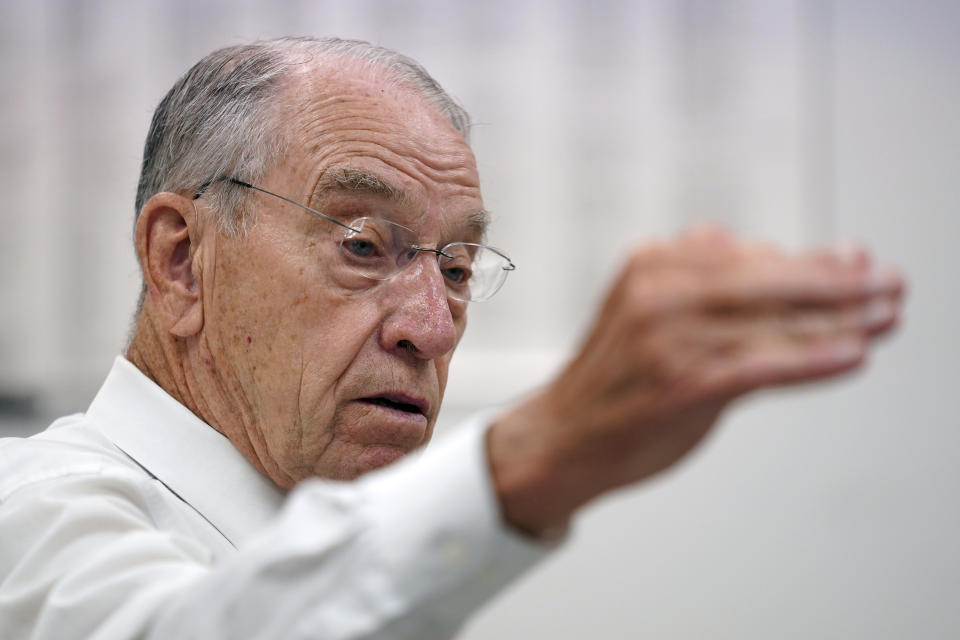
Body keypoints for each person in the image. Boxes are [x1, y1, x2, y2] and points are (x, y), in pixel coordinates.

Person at [0, 37, 904, 639]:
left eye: (459, 269)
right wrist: (546, 451)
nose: (432, 329)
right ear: (182, 260)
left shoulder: (347, 565)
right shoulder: (31, 511)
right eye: (361, 245)